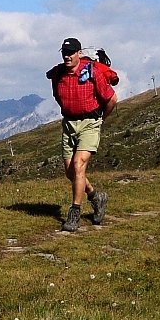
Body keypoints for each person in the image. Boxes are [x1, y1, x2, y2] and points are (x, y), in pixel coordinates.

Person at [46, 38, 117, 232]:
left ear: (79, 53)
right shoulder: (58, 75)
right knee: (71, 172)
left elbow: (111, 99)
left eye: (71, 52)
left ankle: (74, 213)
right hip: (69, 123)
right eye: (64, 53)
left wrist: (100, 120)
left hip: (90, 123)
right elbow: (58, 97)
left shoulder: (91, 72)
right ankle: (96, 196)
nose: (67, 56)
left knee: (79, 165)